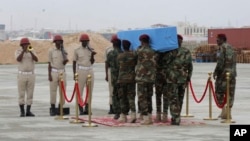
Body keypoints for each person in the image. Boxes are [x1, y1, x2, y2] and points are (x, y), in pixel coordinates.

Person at [163, 34, 193, 125]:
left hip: (172, 79)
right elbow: (190, 66)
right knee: (180, 98)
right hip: (182, 79)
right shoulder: (186, 51)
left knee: (173, 99)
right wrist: (188, 78)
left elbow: (164, 62)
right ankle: (177, 116)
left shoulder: (170, 51)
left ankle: (175, 117)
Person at [213, 33, 237, 119]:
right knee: (230, 93)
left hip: (223, 74)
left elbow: (220, 62)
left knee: (219, 91)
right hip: (232, 74)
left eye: (218, 39)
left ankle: (223, 111)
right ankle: (228, 112)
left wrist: (215, 72)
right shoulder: (231, 48)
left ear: (222, 40)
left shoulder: (221, 48)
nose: (216, 41)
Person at [135, 34, 157, 125]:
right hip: (151, 78)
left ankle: (145, 117)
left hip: (141, 78)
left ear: (141, 41)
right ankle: (149, 115)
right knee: (149, 97)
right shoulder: (154, 51)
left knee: (142, 97)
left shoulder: (139, 51)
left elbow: (134, 56)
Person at [73, 33, 96, 115]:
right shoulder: (77, 50)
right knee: (80, 90)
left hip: (89, 70)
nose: (85, 42)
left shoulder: (90, 50)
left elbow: (92, 62)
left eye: (86, 41)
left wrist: (92, 55)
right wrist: (74, 74)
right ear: (81, 41)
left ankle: (87, 108)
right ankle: (80, 108)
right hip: (81, 70)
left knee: (90, 90)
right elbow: (74, 62)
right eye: (83, 41)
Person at [15, 38, 38, 117]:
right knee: (21, 93)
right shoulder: (18, 51)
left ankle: (28, 110)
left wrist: (30, 51)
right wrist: (23, 51)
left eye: (27, 44)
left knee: (30, 93)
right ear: (22, 45)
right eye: (24, 44)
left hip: (31, 74)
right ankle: (22, 111)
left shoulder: (32, 51)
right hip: (22, 75)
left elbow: (36, 59)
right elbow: (18, 59)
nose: (26, 46)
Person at [48, 35, 69, 116]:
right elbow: (49, 63)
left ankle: (61, 107)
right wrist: (49, 75)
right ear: (55, 42)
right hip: (54, 71)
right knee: (53, 91)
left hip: (62, 71)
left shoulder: (64, 51)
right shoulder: (51, 51)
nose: (58, 42)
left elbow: (64, 63)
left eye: (60, 41)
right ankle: (53, 107)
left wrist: (65, 58)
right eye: (57, 41)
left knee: (62, 91)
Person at [117, 40, 137, 123]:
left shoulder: (120, 56)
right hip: (131, 79)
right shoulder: (133, 55)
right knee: (131, 97)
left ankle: (123, 116)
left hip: (122, 79)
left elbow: (118, 65)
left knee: (122, 98)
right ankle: (133, 114)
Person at [106, 37, 123, 120]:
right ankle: (124, 111)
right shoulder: (123, 53)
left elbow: (107, 64)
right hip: (123, 76)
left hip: (114, 77)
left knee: (115, 94)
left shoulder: (110, 54)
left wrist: (106, 75)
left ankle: (117, 113)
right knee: (123, 94)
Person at [104, 34, 116, 114]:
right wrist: (106, 74)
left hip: (119, 71)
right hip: (111, 70)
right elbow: (106, 63)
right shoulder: (108, 50)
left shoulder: (121, 49)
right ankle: (111, 107)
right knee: (111, 90)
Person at [154, 52, 168, 122]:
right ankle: (161, 114)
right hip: (162, 78)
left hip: (161, 78)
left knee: (161, 96)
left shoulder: (157, 53)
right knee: (161, 96)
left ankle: (161, 114)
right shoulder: (168, 53)